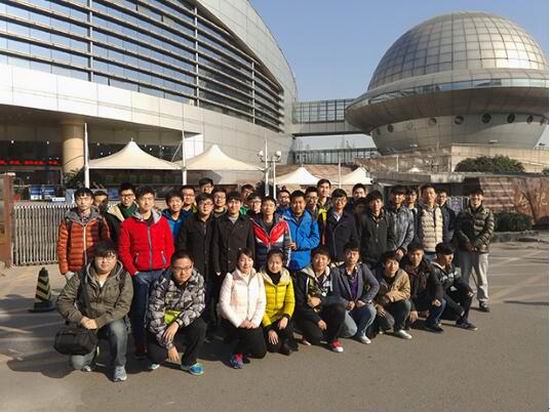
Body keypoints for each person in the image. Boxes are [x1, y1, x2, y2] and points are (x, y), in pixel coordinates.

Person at [56, 240, 133, 382]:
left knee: (118, 329)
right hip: (87, 322)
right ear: (94, 257)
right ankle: (91, 356)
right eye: (101, 257)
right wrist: (80, 319)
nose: (105, 261)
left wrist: (99, 322)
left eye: (110, 257)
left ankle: (119, 365)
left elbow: (123, 306)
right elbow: (62, 301)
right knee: (77, 363)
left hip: (111, 320)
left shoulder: (123, 276)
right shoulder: (81, 275)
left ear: (116, 258)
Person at [118, 186, 175, 358]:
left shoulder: (162, 221)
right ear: (137, 200)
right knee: (139, 312)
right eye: (143, 199)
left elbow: (169, 246)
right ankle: (140, 345)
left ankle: (157, 342)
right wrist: (134, 272)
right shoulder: (128, 224)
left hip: (160, 272)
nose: (147, 202)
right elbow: (123, 251)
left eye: (150, 198)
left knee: (159, 310)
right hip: (140, 274)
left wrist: (166, 267)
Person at [146, 250, 207, 376]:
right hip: (162, 324)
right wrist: (169, 346)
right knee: (157, 356)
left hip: (181, 321)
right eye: (178, 268)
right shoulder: (161, 282)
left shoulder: (198, 279)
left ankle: (189, 362)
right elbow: (155, 317)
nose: (183, 273)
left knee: (200, 326)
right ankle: (155, 351)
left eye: (187, 267)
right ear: (172, 267)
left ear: (192, 265)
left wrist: (177, 323)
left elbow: (198, 306)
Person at [219, 248, 266, 369]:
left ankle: (242, 342)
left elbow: (261, 302)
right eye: (242, 260)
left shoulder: (258, 277)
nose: (246, 263)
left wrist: (255, 322)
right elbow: (223, 304)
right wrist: (240, 322)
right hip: (234, 321)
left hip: (251, 322)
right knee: (252, 336)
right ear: (237, 261)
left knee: (260, 353)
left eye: (249, 260)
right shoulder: (230, 277)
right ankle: (236, 353)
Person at [176, 193, 216, 334]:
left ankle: (209, 328)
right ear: (196, 205)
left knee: (209, 298)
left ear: (213, 206)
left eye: (208, 204)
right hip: (194, 267)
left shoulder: (216, 222)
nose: (205, 206)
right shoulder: (188, 222)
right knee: (192, 299)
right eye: (202, 203)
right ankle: (191, 329)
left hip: (211, 266)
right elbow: (181, 244)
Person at [293, 246, 346, 352]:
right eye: (317, 258)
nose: (320, 261)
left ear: (328, 261)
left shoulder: (332, 274)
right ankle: (306, 333)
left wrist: (321, 300)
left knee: (339, 309)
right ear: (312, 259)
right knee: (316, 338)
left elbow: (337, 297)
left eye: (323, 258)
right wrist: (317, 320)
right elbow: (300, 304)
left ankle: (333, 340)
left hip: (324, 310)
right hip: (307, 313)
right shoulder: (302, 275)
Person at [454, 188, 495, 313]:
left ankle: (483, 300)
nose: (475, 199)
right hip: (464, 249)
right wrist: (467, 242)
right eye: (473, 196)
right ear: (470, 198)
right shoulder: (463, 213)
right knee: (464, 276)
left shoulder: (487, 212)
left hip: (481, 249)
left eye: (478, 196)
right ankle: (464, 298)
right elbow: (458, 229)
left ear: (482, 198)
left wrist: (476, 243)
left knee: (481, 276)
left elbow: (489, 231)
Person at [330, 241, 379, 344]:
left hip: (358, 306)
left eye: (354, 254)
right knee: (351, 331)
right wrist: (346, 303)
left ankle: (361, 333)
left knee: (371, 310)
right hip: (344, 308)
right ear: (343, 255)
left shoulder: (362, 268)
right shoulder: (336, 272)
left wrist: (364, 300)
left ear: (358, 256)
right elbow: (334, 294)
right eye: (348, 253)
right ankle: (346, 330)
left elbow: (375, 285)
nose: (351, 257)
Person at [57, 187, 110, 280]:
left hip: (95, 267)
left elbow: (106, 244)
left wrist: (105, 266)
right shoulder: (68, 220)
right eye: (79, 199)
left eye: (86, 199)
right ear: (75, 201)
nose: (83, 202)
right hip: (74, 269)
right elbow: (61, 246)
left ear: (92, 201)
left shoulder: (99, 219)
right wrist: (65, 270)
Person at [400, 242, 446, 333]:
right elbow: (402, 291)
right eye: (412, 254)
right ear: (408, 254)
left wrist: (437, 297)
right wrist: (413, 308)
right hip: (406, 298)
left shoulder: (428, 266)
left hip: (421, 297)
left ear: (422, 254)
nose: (415, 257)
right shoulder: (402, 267)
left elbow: (437, 284)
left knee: (442, 302)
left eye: (418, 254)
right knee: (406, 305)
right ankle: (403, 321)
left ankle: (431, 323)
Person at [259, 249, 297, 355]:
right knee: (273, 347)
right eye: (271, 262)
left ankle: (285, 340)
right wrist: (269, 328)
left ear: (282, 263)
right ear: (267, 262)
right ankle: (276, 340)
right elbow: (258, 306)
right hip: (265, 319)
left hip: (280, 318)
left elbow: (290, 301)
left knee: (288, 328)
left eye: (277, 263)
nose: (274, 266)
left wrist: (286, 317)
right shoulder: (260, 278)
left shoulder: (287, 278)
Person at [431, 243, 477, 330]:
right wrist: (456, 307)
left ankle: (462, 321)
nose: (451, 257)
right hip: (435, 297)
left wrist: (468, 289)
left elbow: (458, 281)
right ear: (439, 255)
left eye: (452, 254)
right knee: (450, 309)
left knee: (467, 294)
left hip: (447, 295)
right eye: (448, 254)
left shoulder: (451, 266)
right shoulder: (432, 268)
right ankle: (434, 319)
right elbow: (438, 291)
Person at [212, 191, 255, 281]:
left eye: (236, 202)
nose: (233, 205)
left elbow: (251, 244)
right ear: (226, 204)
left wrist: (251, 263)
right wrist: (216, 266)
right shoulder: (219, 221)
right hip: (225, 263)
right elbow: (215, 245)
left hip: (242, 263)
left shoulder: (247, 221)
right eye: (231, 202)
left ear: (241, 204)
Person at [374, 250, 412, 339]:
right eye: (389, 263)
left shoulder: (402, 275)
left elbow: (406, 293)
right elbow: (366, 294)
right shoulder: (375, 274)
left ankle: (399, 329)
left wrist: (391, 295)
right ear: (383, 264)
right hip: (379, 306)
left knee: (406, 303)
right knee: (388, 323)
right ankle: (380, 325)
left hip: (394, 304)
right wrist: (376, 305)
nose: (392, 266)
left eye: (395, 263)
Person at [283, 190, 320, 273]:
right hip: (286, 261)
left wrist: (299, 244)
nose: (297, 205)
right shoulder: (283, 218)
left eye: (300, 202)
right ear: (290, 203)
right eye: (294, 202)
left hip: (305, 262)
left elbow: (315, 239)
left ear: (305, 203)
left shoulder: (311, 218)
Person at [318, 188, 358, 265]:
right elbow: (320, 237)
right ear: (332, 201)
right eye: (336, 199)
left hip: (345, 258)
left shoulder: (350, 218)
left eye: (342, 200)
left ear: (346, 201)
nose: (339, 202)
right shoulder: (324, 216)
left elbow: (354, 238)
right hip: (329, 258)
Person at [251, 196, 292, 270]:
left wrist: (285, 264)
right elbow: (252, 246)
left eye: (271, 205)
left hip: (277, 264)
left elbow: (287, 246)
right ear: (261, 207)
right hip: (260, 264)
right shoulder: (254, 224)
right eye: (265, 205)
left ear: (275, 208)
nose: (268, 208)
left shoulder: (282, 224)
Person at [359, 190, 394, 269]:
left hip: (383, 258)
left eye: (378, 201)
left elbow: (391, 237)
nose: (375, 204)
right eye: (372, 202)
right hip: (367, 258)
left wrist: (387, 251)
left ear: (382, 203)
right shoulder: (364, 218)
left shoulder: (387, 218)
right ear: (368, 204)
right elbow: (359, 238)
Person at [417, 184, 446, 261]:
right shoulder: (418, 210)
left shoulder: (440, 210)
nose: (428, 195)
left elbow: (444, 230)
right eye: (425, 193)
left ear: (435, 195)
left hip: (439, 250)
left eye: (431, 193)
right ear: (421, 196)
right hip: (425, 250)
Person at [386, 185, 415, 260]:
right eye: (394, 194)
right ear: (390, 195)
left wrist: (403, 248)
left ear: (404, 197)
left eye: (399, 194)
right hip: (387, 251)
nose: (396, 197)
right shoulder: (384, 211)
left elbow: (410, 233)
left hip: (402, 252)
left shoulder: (408, 213)